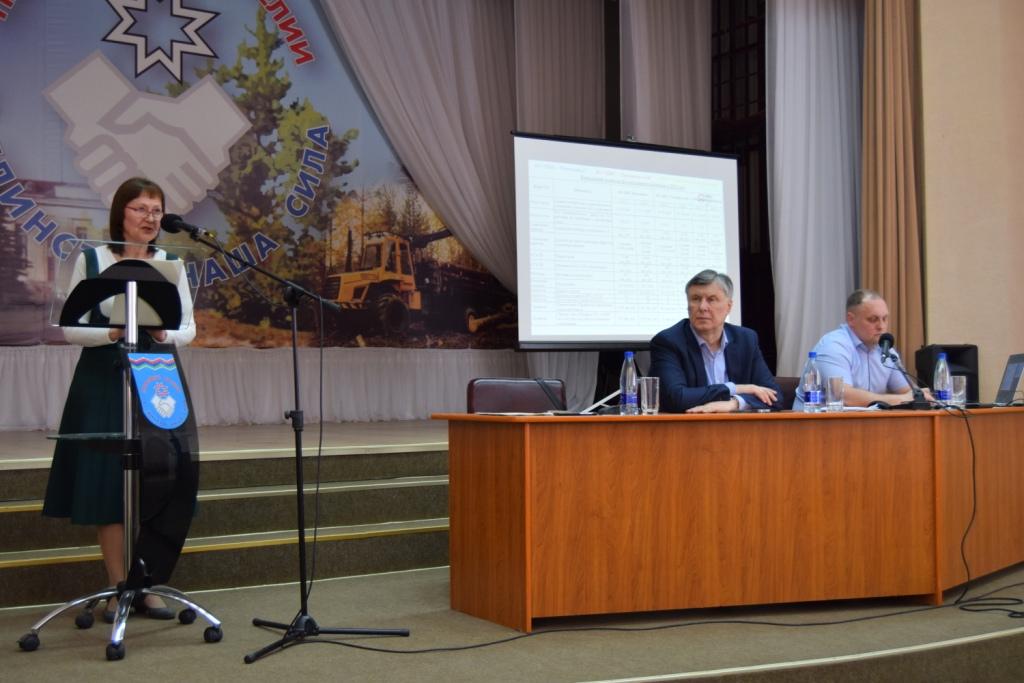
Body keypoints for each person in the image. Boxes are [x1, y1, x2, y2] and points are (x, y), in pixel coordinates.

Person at [42, 177, 196, 622]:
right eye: (140, 209)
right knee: (109, 481)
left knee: (156, 477)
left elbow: (189, 328)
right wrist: (110, 331)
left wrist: (166, 334)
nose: (150, 218)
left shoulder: (170, 264)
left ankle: (144, 585)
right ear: (120, 213)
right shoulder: (92, 260)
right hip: (103, 374)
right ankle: (117, 587)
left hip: (156, 374)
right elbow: (71, 329)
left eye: (156, 210)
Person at [650, 269, 780, 413]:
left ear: (729, 306)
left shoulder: (746, 339)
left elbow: (775, 397)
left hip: (736, 425)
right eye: (695, 299)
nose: (702, 307)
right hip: (688, 424)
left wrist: (735, 403)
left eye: (711, 299)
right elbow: (676, 397)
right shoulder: (669, 342)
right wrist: (735, 388)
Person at [795, 289, 920, 409]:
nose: (881, 326)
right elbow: (844, 396)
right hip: (816, 421)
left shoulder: (886, 351)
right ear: (851, 319)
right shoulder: (833, 346)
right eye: (873, 319)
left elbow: (908, 391)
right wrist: (901, 399)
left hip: (863, 421)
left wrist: (920, 396)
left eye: (885, 319)